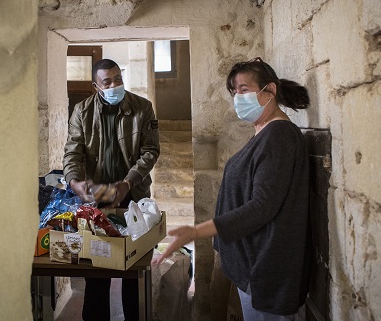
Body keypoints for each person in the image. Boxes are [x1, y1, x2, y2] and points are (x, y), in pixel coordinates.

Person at [153, 57, 312, 320]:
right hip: (253, 263)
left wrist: (197, 231)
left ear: (269, 91)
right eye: (234, 91)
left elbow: (262, 207)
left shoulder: (279, 136)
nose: (237, 97)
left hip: (267, 268)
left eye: (244, 90)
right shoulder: (264, 132)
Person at [63, 58, 160, 321]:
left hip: (133, 195)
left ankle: (135, 316)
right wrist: (74, 182)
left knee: (134, 268)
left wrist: (127, 183)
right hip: (98, 199)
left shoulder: (142, 108)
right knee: (98, 267)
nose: (115, 85)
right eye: (108, 82)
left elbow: (150, 151)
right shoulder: (82, 112)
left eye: (118, 78)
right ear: (96, 86)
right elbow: (73, 152)